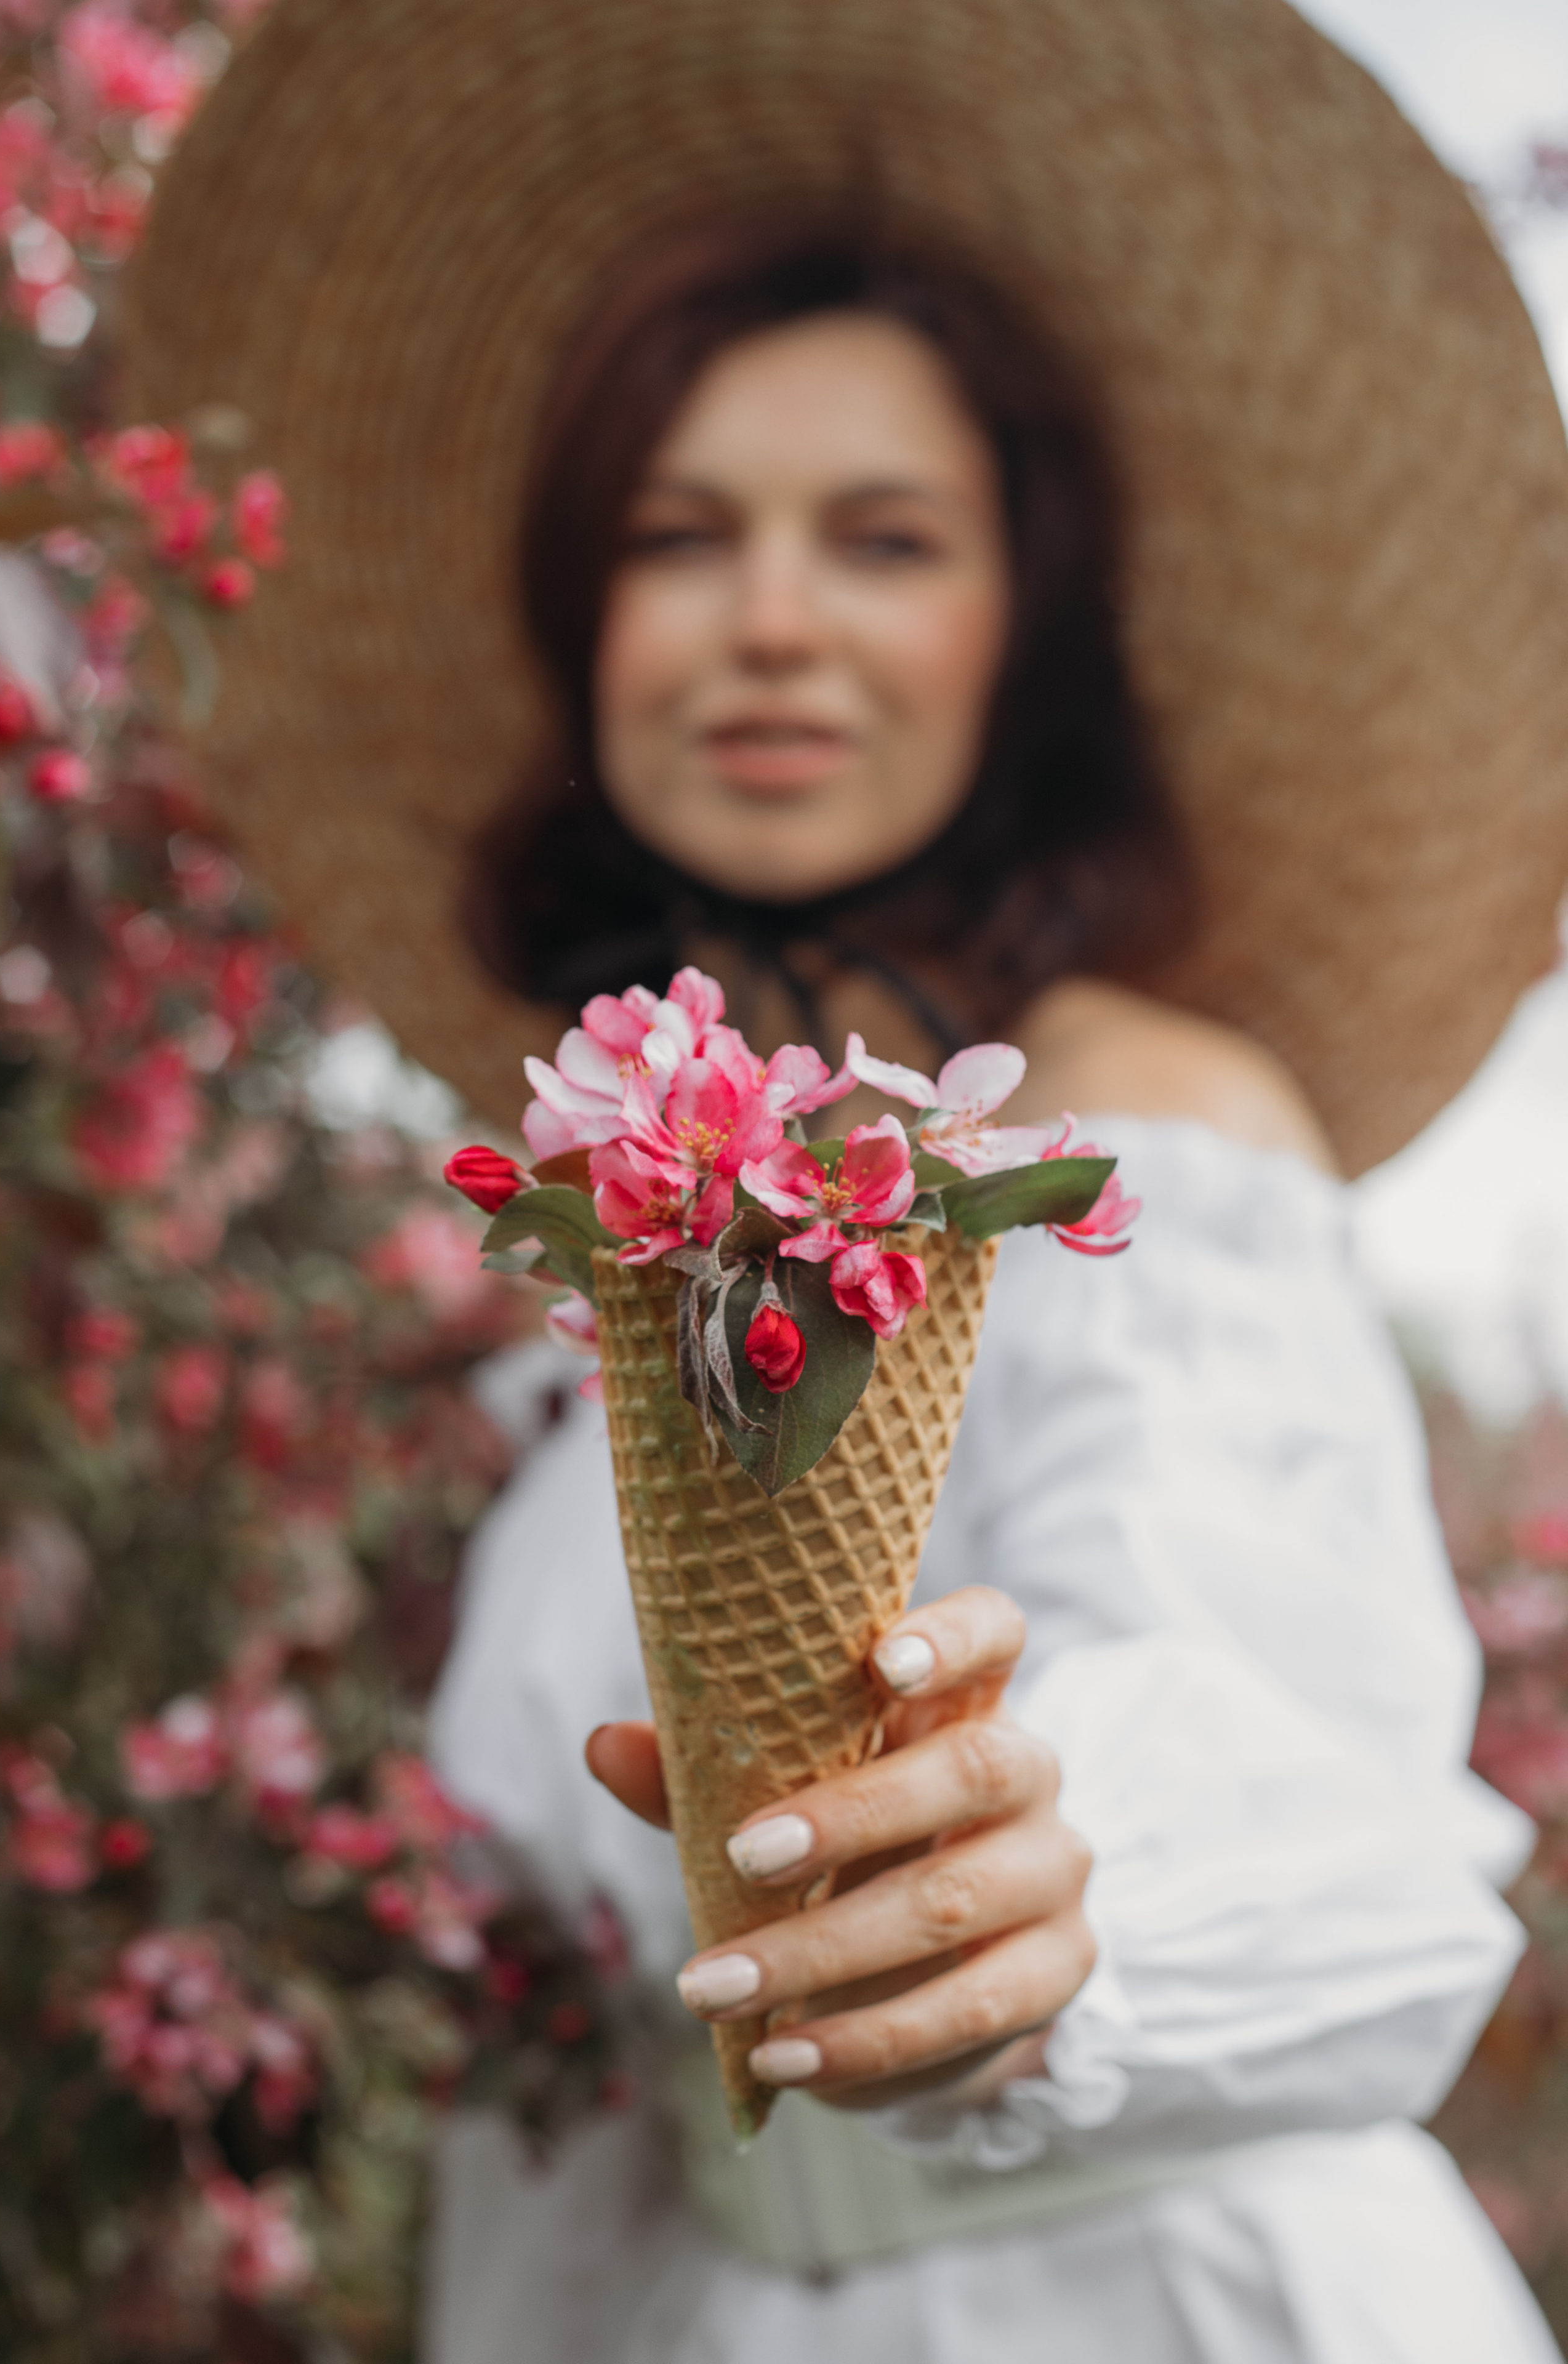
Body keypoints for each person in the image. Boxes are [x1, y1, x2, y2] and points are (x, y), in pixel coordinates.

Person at [129, 0, 1568, 2355]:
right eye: (679, 538)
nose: (769, 620)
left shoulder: (1131, 1118)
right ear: (587, 623)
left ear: (1031, 623)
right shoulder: (625, 1252)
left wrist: (1035, 1901)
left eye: (882, 539)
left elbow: (1266, 1697)